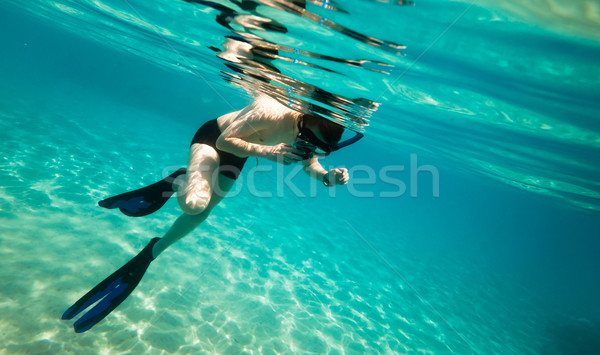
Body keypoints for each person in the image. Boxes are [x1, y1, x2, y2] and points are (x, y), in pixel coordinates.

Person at [61, 94, 363, 332]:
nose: (306, 147)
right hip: (215, 139)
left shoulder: (315, 135)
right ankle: (180, 178)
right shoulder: (270, 107)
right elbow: (224, 141)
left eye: (316, 147)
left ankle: (153, 252)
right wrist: (269, 152)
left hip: (242, 154)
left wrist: (328, 178)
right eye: (306, 141)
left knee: (202, 212)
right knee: (194, 204)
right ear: (304, 120)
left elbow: (310, 165)